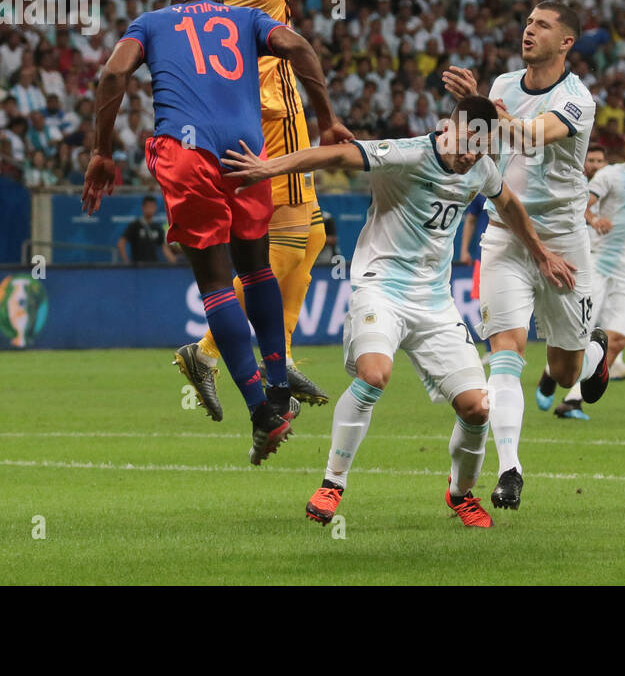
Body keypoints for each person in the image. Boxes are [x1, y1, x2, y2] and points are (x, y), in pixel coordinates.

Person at [223, 95, 576, 528]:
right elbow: (335, 154)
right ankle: (333, 483)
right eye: (468, 144)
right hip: (381, 290)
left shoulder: (480, 168)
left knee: (478, 408)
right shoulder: (405, 154)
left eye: (482, 148)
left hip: (435, 303)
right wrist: (267, 168)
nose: (472, 156)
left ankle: (459, 494)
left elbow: (508, 204)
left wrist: (540, 254)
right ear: (449, 128)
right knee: (374, 375)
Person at [84, 0, 334, 465]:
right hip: (246, 153)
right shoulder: (246, 18)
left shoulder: (151, 23)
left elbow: (113, 72)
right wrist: (327, 120)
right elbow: (299, 46)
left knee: (217, 284)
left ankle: (261, 411)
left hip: (188, 152)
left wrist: (101, 151)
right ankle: (278, 386)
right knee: (258, 270)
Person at [177, 0, 347, 407]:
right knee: (294, 234)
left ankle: (282, 352)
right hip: (273, 105)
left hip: (216, 107)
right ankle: (210, 349)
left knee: (312, 234)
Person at [441, 0, 610, 511]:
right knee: (505, 354)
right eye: (528, 22)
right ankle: (509, 470)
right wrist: (470, 125)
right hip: (507, 233)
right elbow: (486, 146)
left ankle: (595, 354)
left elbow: (533, 135)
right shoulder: (503, 85)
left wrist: (486, 108)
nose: (529, 30)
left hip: (563, 241)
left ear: (566, 42)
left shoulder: (577, 99)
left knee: (564, 371)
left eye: (543, 25)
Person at [547, 119, 625, 419]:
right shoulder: (610, 175)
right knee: (580, 332)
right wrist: (594, 220)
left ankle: (573, 400)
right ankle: (550, 373)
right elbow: (582, 206)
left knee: (616, 339)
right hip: (598, 264)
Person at [117, 196, 177, 264]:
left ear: (156, 208)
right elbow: (121, 243)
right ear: (143, 208)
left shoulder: (158, 228)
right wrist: (126, 262)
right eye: (148, 206)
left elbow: (164, 248)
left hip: (153, 265)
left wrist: (175, 263)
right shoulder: (135, 225)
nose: (150, 209)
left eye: (152, 207)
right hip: (138, 266)